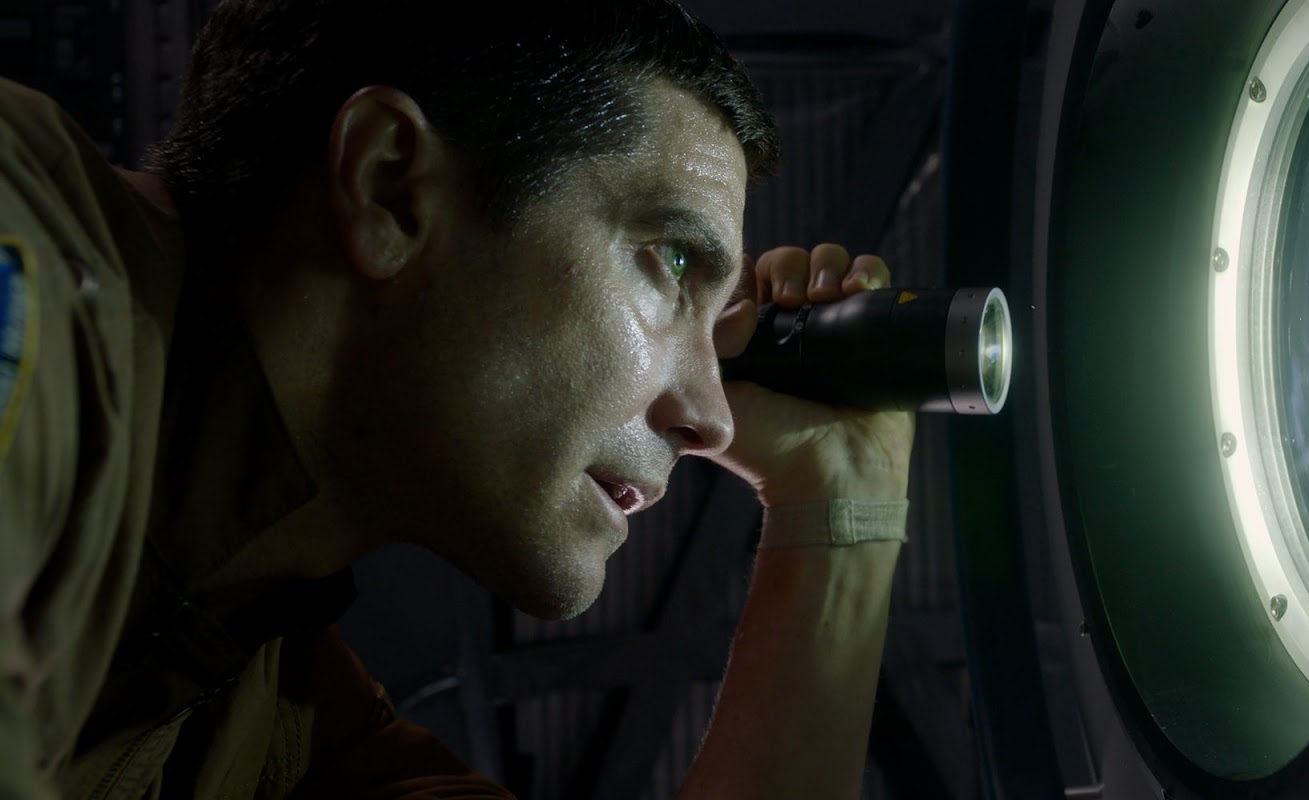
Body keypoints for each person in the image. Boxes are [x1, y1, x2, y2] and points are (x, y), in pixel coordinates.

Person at [0, 0, 916, 796]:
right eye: (672, 262)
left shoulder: (265, 693)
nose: (711, 418)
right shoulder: (27, 259)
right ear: (391, 185)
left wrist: (840, 496)